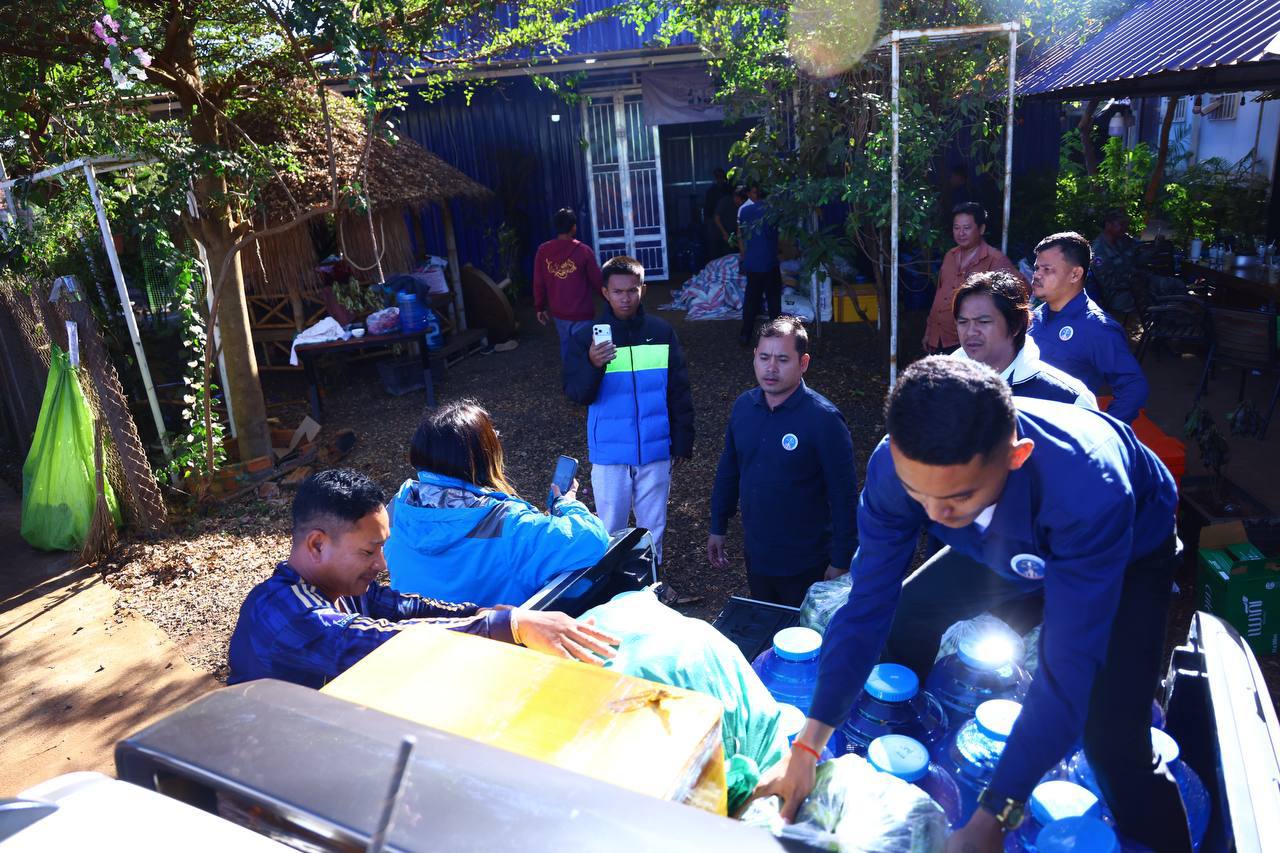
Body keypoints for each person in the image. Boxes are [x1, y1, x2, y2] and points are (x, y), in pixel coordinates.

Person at [758, 358, 1189, 853]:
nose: (933, 515)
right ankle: (913, 734)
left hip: (1123, 551)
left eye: (955, 497)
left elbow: (1068, 670)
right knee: (908, 615)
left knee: (1113, 738)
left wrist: (996, 813)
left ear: (1016, 456)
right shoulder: (898, 472)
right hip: (996, 529)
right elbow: (865, 608)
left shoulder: (1091, 490)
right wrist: (807, 747)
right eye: (918, 495)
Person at [228, 468, 619, 689]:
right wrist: (510, 625)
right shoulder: (285, 612)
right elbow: (383, 641)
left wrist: (490, 614)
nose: (381, 564)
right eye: (368, 551)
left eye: (383, 549)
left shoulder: (343, 589)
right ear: (317, 544)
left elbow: (406, 608)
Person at [383, 400, 611, 607]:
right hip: (494, 636)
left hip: (416, 633)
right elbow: (592, 539)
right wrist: (565, 503)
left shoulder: (394, 511)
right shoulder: (509, 525)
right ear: (483, 455)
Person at [708, 317, 858, 606]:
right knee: (767, 625)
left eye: (783, 359)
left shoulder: (824, 419)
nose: (771, 368)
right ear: (755, 357)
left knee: (804, 632)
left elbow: (844, 496)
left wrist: (841, 560)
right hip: (758, 557)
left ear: (803, 363)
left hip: (809, 563)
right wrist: (718, 525)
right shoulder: (744, 408)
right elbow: (729, 471)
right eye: (764, 357)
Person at [563, 255, 694, 567]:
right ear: (605, 293)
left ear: (643, 290)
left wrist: (682, 440)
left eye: (632, 290)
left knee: (653, 528)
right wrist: (593, 364)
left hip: (655, 449)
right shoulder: (585, 338)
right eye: (618, 291)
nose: (626, 298)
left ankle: (651, 580)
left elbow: (679, 390)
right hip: (610, 454)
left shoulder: (662, 332)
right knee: (610, 528)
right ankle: (611, 586)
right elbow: (577, 394)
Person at [1028, 232, 1149, 424]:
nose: (1036, 275)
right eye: (1036, 268)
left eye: (1047, 269)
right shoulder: (1037, 315)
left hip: (1061, 430)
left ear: (1075, 274)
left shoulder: (1097, 328)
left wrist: (1104, 429)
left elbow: (1133, 386)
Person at [951, 270, 1096, 407]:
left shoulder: (1068, 398)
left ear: (1016, 325)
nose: (970, 332)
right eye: (963, 322)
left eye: (983, 322)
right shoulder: (942, 385)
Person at [923, 202, 1021, 354]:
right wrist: (930, 331)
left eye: (967, 228)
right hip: (939, 337)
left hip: (969, 341)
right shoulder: (950, 255)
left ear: (981, 229)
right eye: (956, 228)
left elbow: (1021, 291)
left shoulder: (995, 259)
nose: (961, 233)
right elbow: (940, 294)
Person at [533, 208, 603, 363]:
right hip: (582, 313)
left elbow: (538, 281)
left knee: (566, 347)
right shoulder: (584, 251)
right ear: (574, 227)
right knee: (585, 350)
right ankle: (584, 377)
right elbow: (598, 281)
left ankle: (569, 376)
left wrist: (540, 307)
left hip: (559, 313)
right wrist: (611, 300)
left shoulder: (543, 251)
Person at [737, 184, 781, 346]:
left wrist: (744, 256)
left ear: (753, 194)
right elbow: (776, 236)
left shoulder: (744, 211)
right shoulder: (773, 211)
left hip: (753, 263)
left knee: (751, 301)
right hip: (769, 262)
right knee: (773, 301)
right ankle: (777, 336)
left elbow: (741, 235)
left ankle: (745, 335)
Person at [1089, 208, 1141, 315]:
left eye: (1126, 224)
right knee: (1158, 298)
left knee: (1169, 286)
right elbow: (1108, 283)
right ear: (1108, 225)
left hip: (1133, 288)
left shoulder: (1122, 240)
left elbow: (1140, 249)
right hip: (1118, 296)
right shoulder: (1098, 250)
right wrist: (1135, 279)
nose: (1125, 227)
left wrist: (1156, 245)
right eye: (1121, 224)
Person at [703, 168, 733, 259]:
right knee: (715, 248)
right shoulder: (711, 191)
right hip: (714, 222)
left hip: (726, 222)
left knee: (727, 248)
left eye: (721, 176)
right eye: (717, 176)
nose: (719, 178)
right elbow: (708, 209)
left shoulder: (729, 189)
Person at [711, 185, 745, 262]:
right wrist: (725, 234)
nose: (741, 203)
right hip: (720, 233)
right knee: (722, 257)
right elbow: (716, 218)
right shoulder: (725, 201)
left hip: (731, 234)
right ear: (736, 197)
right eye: (740, 201)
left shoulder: (740, 206)